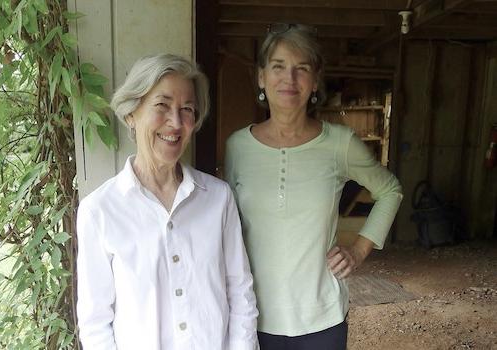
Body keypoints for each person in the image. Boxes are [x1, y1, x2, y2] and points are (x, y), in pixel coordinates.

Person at [225, 24, 403, 349]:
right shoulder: (238, 146)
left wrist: (359, 250)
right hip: (253, 316)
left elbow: (390, 190)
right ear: (262, 77)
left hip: (322, 318)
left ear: (315, 79)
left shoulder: (339, 143)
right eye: (278, 66)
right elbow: (227, 225)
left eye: (301, 68)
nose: (289, 79)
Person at [76, 54, 259, 350]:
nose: (176, 122)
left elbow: (240, 293)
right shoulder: (99, 210)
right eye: (162, 106)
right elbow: (95, 322)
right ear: (131, 113)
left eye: (187, 109)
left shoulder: (218, 198)